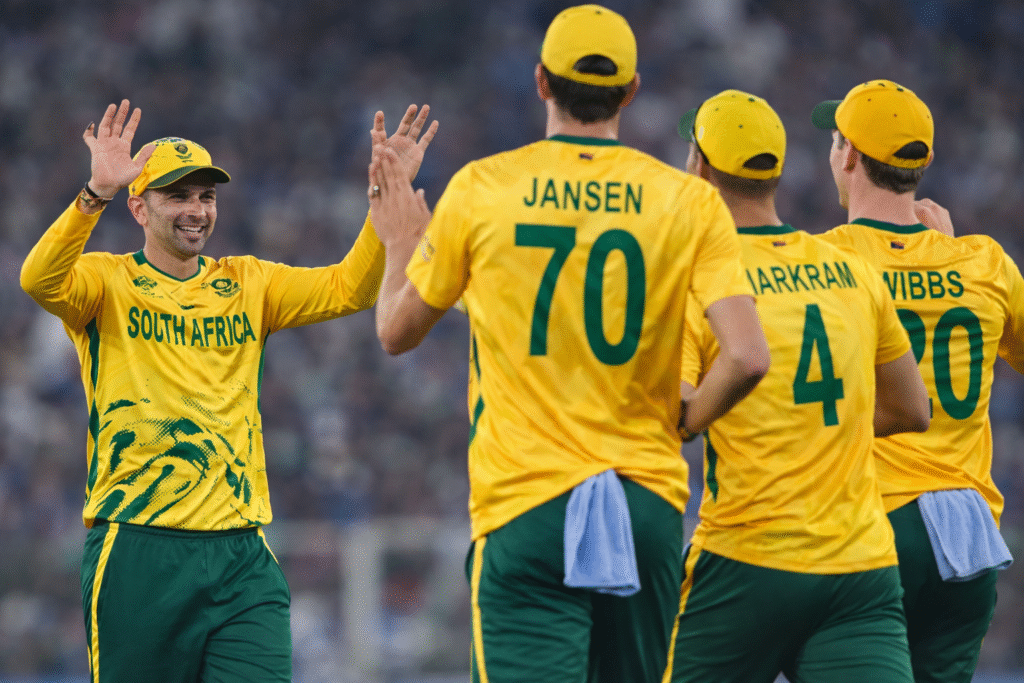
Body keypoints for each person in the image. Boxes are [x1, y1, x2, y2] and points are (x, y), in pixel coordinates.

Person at [367, 5, 770, 682]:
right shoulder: (688, 201)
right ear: (633, 89)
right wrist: (690, 419)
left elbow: (394, 332)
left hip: (528, 505)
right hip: (644, 500)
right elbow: (748, 354)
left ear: (541, 83)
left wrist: (401, 240)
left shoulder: (481, 189)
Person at [19, 99, 437, 683]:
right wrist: (94, 194)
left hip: (241, 554)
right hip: (140, 547)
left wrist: (381, 194)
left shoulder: (248, 282)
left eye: (206, 197)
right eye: (178, 196)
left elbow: (351, 288)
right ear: (138, 207)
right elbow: (38, 279)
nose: (196, 210)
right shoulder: (105, 281)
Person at [663, 89, 930, 683]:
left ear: (698, 169)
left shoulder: (699, 277)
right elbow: (913, 409)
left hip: (745, 562)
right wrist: (813, 431)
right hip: (860, 569)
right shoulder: (852, 272)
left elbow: (677, 417)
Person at [812, 79, 1022, 683]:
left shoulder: (822, 260)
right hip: (970, 539)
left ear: (848, 156)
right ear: (921, 163)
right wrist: (945, 258)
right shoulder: (984, 263)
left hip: (871, 524)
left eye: (835, 140)